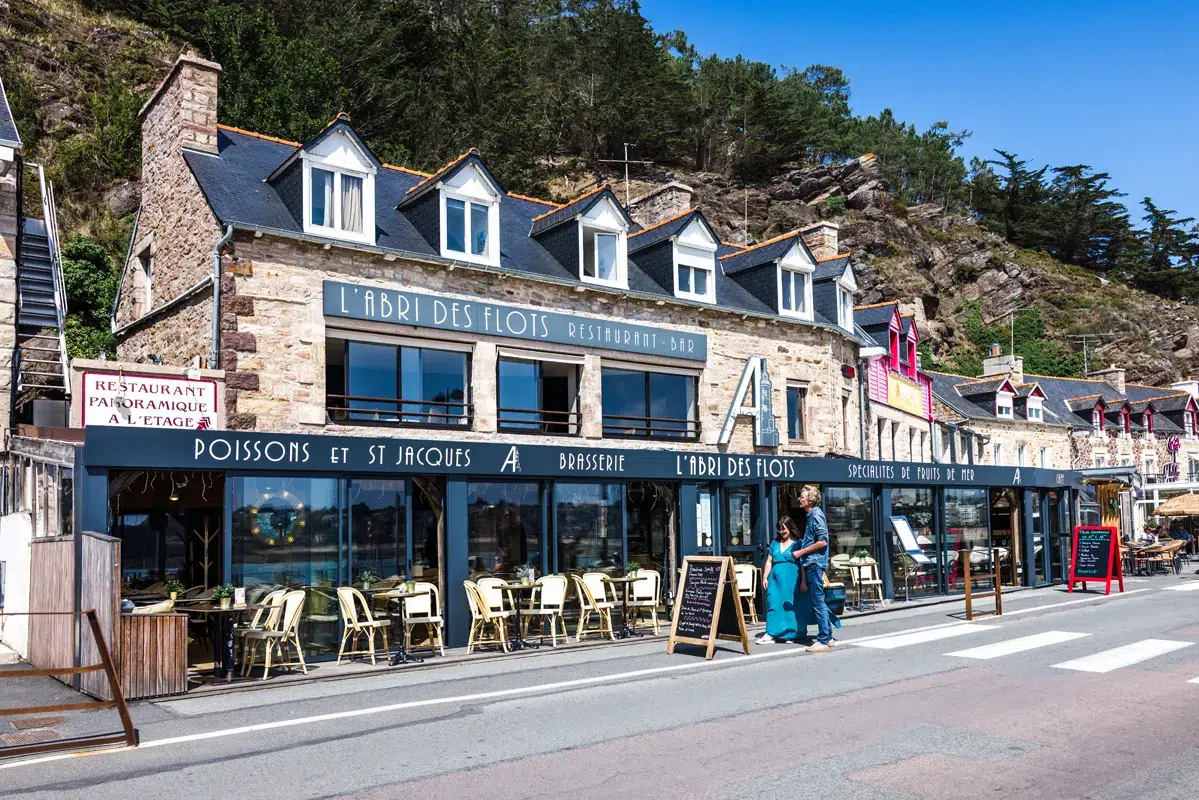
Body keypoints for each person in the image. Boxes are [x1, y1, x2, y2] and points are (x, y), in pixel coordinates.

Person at [795, 484, 837, 653]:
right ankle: (829, 636)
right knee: (819, 601)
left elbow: (823, 541)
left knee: (818, 601)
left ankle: (823, 639)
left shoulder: (815, 516)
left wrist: (801, 552)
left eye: (802, 497)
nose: (799, 499)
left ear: (811, 500)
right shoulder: (812, 515)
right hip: (814, 563)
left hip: (814, 563)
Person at [756, 515, 804, 644]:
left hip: (792, 578)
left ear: (790, 528)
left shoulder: (798, 543)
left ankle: (791, 634)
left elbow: (803, 564)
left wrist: (804, 581)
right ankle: (771, 633)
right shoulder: (775, 543)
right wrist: (765, 577)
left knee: (790, 605)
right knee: (773, 603)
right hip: (775, 578)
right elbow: (769, 561)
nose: (782, 532)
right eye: (780, 529)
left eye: (784, 529)